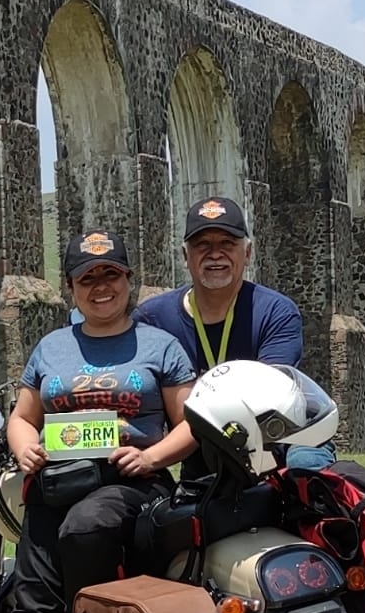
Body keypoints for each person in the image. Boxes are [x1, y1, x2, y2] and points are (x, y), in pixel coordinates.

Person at [0, 229, 197, 613]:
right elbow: (22, 415)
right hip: (53, 487)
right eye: (87, 279)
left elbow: (191, 425)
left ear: (128, 281)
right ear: (71, 289)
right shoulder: (51, 348)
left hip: (129, 484)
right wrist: (24, 442)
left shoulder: (161, 347)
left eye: (111, 276)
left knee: (90, 526)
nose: (100, 288)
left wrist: (150, 454)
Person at [134, 196, 334, 470]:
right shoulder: (151, 317)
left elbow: (268, 400)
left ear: (248, 252)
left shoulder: (276, 312)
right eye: (202, 245)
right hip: (198, 447)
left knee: (306, 462)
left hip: (276, 440)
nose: (215, 253)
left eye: (227, 244)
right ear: (184, 256)